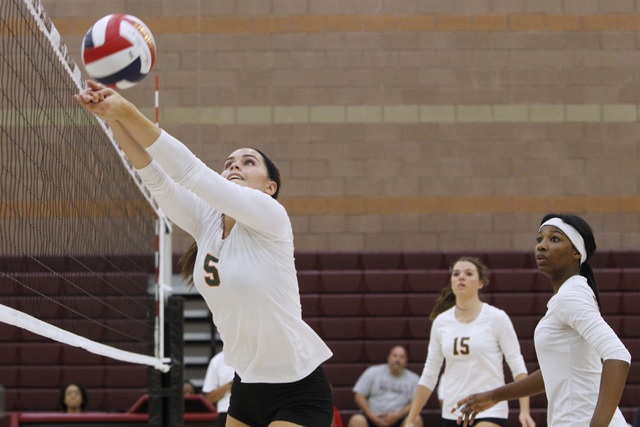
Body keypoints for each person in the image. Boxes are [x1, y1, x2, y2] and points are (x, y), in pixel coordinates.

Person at [74, 81, 334, 427]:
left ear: (270, 188)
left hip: (298, 387)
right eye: (229, 163)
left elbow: (190, 172)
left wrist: (127, 111)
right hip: (247, 384)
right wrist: (113, 121)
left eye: (248, 162)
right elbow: (158, 180)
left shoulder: (271, 217)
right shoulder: (207, 223)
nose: (235, 166)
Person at [455, 213, 631, 427]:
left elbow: (618, 355)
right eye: (540, 239)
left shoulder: (571, 295)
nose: (542, 246)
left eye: (554, 239)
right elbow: (554, 369)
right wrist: (494, 396)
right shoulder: (569, 294)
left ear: (576, 252)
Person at [403, 257, 534, 427]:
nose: (461, 277)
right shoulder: (441, 322)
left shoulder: (497, 318)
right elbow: (429, 374)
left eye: (468, 273)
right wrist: (411, 419)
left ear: (480, 283)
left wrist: (525, 411)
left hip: (490, 409)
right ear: (451, 282)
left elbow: (517, 366)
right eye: (456, 274)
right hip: (453, 411)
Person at [348, 345, 423, 427]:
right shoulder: (373, 372)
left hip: (399, 421)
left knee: (416, 420)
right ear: (389, 358)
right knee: (356, 420)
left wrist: (397, 416)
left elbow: (417, 403)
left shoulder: (414, 379)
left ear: (406, 360)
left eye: (402, 357)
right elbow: (359, 396)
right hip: (371, 419)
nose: (397, 359)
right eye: (395, 356)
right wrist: (371, 416)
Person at [202, 350, 235, 427]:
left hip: (251, 412)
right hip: (225, 412)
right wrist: (228, 386)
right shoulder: (217, 360)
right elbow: (209, 398)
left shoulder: (254, 357)